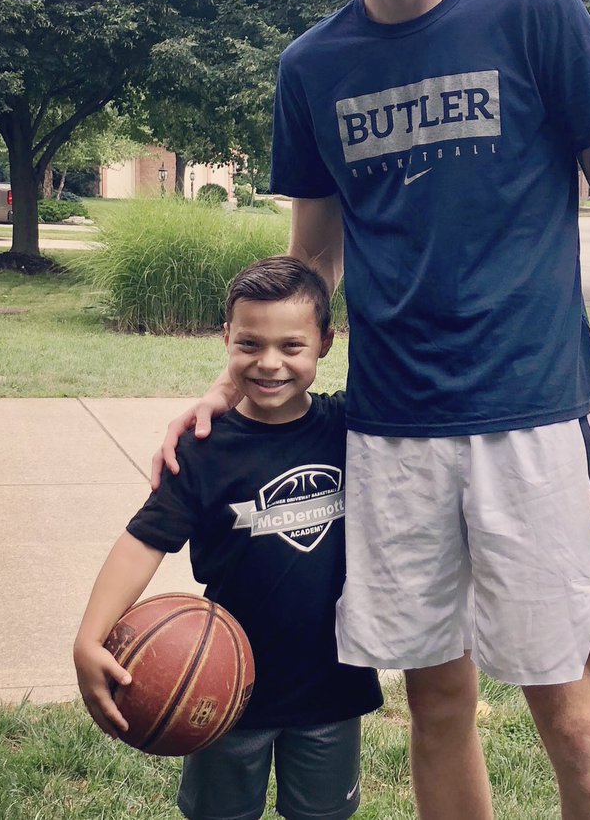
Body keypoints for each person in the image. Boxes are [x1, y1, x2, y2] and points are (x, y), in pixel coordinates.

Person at [154, 0, 590, 818]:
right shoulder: (311, 66)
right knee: (436, 704)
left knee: (573, 716)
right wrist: (234, 384)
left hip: (528, 419)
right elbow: (309, 257)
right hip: (392, 430)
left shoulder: (535, 13)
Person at [75, 256, 382, 820]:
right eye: (249, 344)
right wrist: (89, 638)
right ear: (226, 340)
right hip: (219, 683)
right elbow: (145, 540)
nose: (269, 363)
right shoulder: (202, 449)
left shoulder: (352, 428)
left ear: (326, 343)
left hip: (334, 683)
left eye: (292, 346)